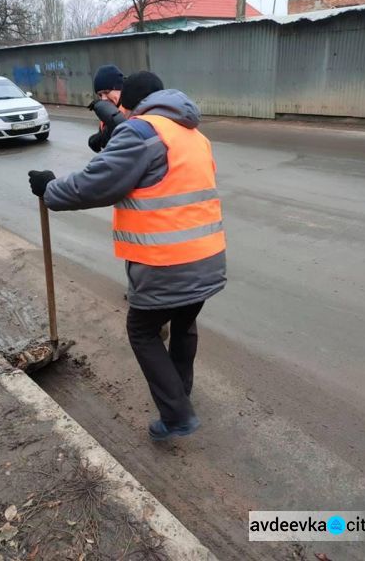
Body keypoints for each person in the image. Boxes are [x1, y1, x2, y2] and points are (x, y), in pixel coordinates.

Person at [28, 71, 227, 441]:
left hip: (166, 262)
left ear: (130, 106)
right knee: (184, 322)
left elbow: (95, 184)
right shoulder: (192, 133)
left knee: (142, 331)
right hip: (208, 256)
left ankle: (177, 415)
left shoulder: (140, 132)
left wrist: (50, 188)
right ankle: (180, 392)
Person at [87, 64, 127, 153]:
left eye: (106, 92)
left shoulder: (133, 107)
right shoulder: (109, 109)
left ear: (119, 88)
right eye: (100, 95)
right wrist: (99, 137)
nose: (104, 98)